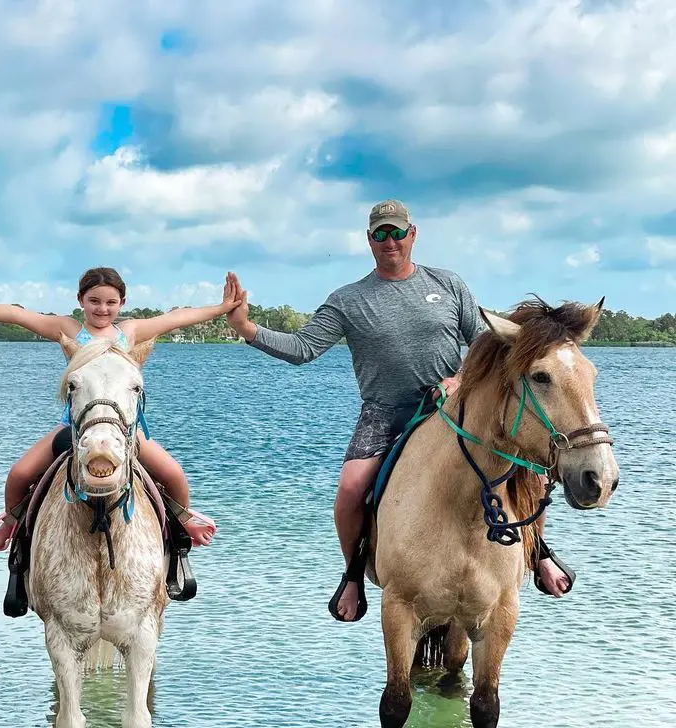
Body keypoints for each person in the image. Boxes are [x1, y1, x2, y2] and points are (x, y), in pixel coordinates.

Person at [226, 200, 574, 621]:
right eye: (380, 234)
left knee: (527, 467)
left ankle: (538, 552)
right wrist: (245, 328)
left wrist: (460, 381)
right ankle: (353, 572)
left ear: (413, 234)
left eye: (396, 232)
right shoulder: (348, 300)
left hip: (453, 406)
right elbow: (303, 349)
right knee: (351, 490)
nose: (389, 241)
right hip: (385, 411)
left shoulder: (446, 284)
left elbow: (484, 346)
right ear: (369, 240)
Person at [0, 267, 243, 552]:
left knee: (174, 474)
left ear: (122, 303)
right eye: (94, 301)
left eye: (111, 302)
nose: (102, 309)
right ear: (80, 299)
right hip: (74, 426)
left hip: (121, 428)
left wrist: (221, 308)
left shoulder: (129, 332)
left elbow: (175, 318)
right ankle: (10, 523)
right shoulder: (69, 329)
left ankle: (182, 522)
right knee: (20, 474)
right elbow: (17, 315)